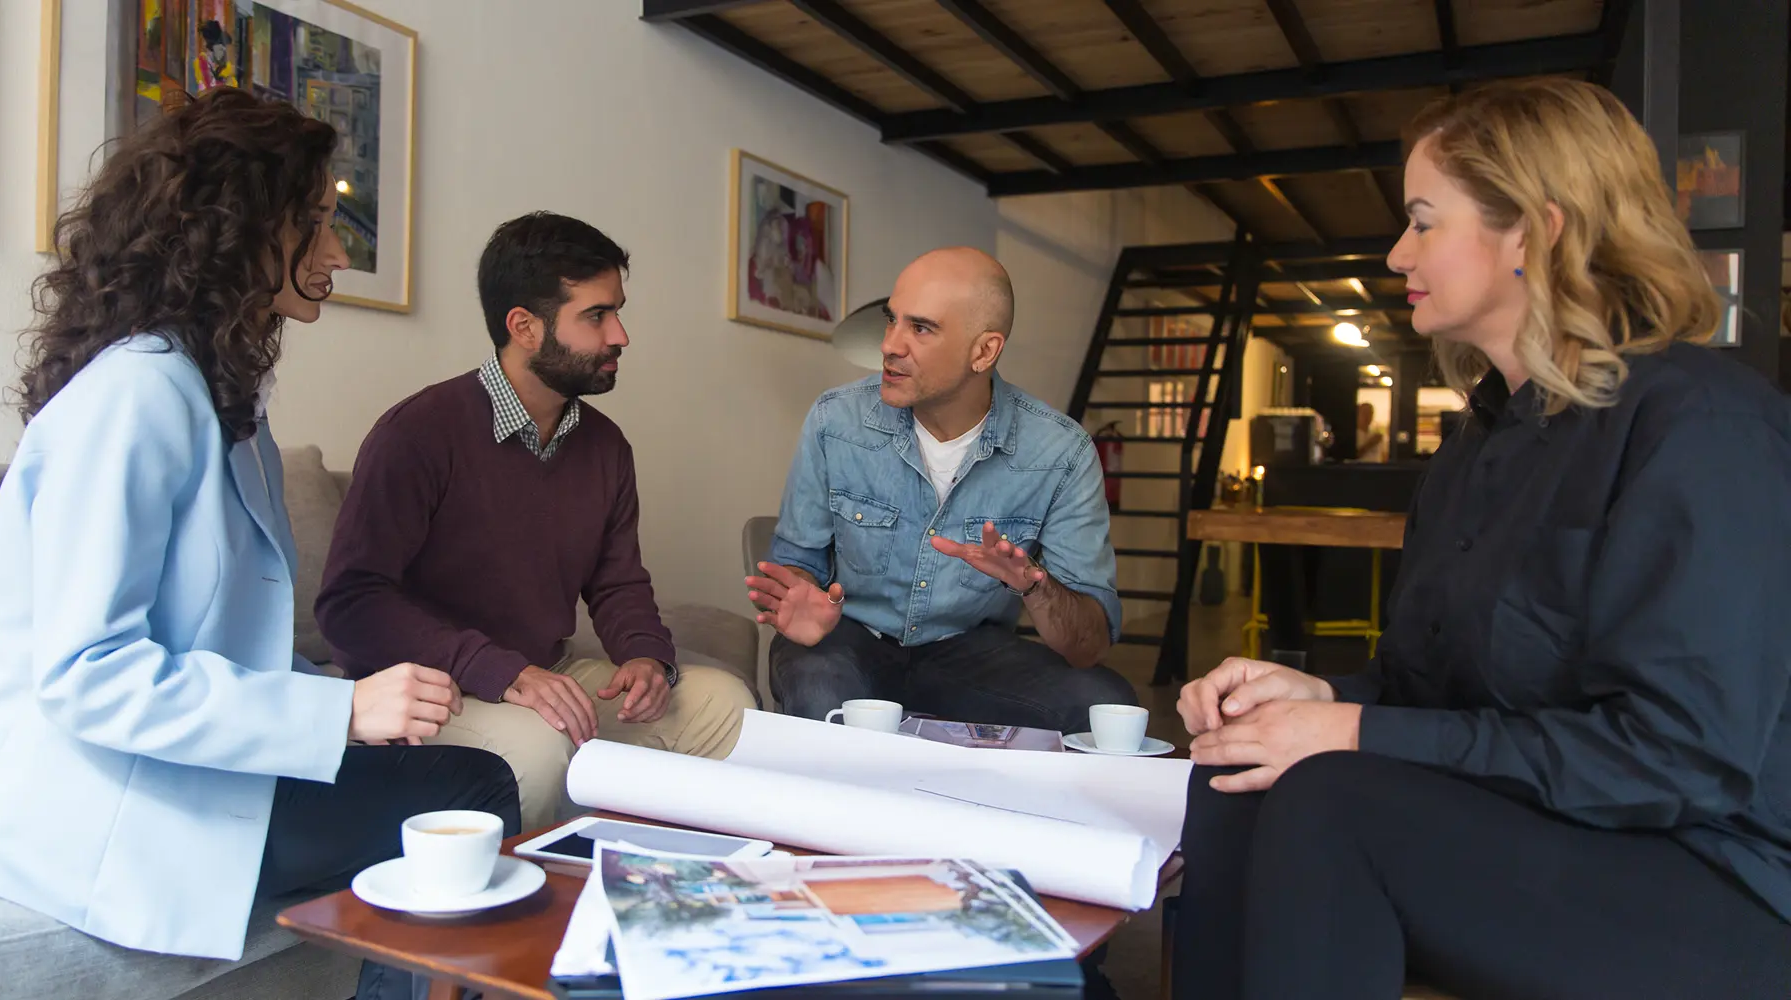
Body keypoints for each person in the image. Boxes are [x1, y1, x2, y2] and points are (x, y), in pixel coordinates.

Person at [1171, 79, 1791, 999]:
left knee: (1331, 800)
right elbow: (1433, 693)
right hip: (1542, 830)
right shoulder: (1478, 442)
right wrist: (1317, 698)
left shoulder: (1703, 429)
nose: (1397, 253)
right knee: (1237, 772)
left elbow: (1677, 759)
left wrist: (1352, 730)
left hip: (1703, 871)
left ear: (1533, 233)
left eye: (1423, 222)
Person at [0, 89, 515, 999]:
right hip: (87, 789)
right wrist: (339, 714)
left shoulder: (223, 396)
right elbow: (87, 673)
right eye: (315, 224)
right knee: (472, 793)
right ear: (242, 229)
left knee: (439, 775)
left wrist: (338, 703)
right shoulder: (137, 395)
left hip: (177, 756)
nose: (339, 254)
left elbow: (220, 640)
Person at [316, 211, 756, 832]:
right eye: (596, 316)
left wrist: (645, 657)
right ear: (524, 327)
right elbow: (350, 603)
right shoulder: (416, 434)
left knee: (726, 707)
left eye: (617, 311)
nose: (620, 335)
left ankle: (665, 877)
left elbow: (617, 582)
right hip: (433, 687)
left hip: (540, 674)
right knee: (535, 747)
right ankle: (524, 893)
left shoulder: (605, 446)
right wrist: (500, 670)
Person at [754, 247, 1137, 735]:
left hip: (970, 652)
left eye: (921, 328)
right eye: (892, 320)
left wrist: (1033, 585)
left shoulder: (1061, 452)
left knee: (1105, 704)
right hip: (847, 639)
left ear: (984, 352)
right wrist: (798, 597)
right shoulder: (836, 420)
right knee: (820, 691)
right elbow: (794, 566)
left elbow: (1088, 646)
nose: (889, 345)